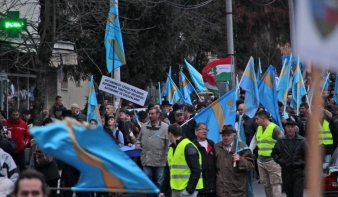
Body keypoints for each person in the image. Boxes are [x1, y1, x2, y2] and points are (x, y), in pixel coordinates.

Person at [159, 124, 203, 197]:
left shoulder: (188, 146)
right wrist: (163, 191)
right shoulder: (172, 149)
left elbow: (196, 170)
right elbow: (169, 172)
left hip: (187, 191)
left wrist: (189, 190)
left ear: (170, 134)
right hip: (177, 189)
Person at [249, 110, 284, 197]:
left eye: (257, 119)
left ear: (263, 118)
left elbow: (283, 142)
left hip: (273, 161)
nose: (255, 121)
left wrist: (279, 158)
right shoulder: (259, 128)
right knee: (266, 184)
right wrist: (250, 150)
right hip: (261, 161)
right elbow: (255, 140)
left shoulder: (274, 128)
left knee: (275, 184)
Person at [136, 107, 169, 197]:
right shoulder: (144, 126)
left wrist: (167, 156)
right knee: (147, 179)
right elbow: (138, 139)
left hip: (160, 159)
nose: (150, 116)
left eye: (152, 114)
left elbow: (168, 144)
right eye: (149, 114)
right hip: (146, 159)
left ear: (158, 115)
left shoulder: (165, 127)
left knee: (159, 180)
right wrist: (138, 144)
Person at [214, 126, 255, 197]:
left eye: (228, 135)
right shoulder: (216, 147)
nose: (226, 138)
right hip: (222, 190)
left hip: (237, 189)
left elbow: (250, 165)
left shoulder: (242, 146)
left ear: (234, 135)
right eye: (223, 135)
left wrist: (240, 159)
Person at [271, 119, 307, 197]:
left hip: (298, 170)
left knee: (298, 193)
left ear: (295, 128)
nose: (290, 129)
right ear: (285, 128)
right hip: (286, 170)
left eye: (292, 127)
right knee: (289, 192)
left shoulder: (302, 141)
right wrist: (281, 161)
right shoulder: (281, 140)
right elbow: (274, 153)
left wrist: (303, 163)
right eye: (288, 127)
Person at [192, 123, 216, 197]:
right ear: (196, 132)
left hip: (212, 186)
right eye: (201, 129)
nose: (204, 131)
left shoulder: (212, 144)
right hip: (199, 187)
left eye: (206, 129)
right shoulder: (192, 146)